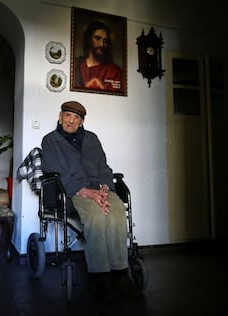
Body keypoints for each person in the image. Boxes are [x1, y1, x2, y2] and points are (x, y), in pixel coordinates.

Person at [41, 101, 140, 303]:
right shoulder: (50, 140)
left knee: (117, 210)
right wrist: (84, 191)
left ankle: (120, 272)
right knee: (96, 215)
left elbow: (103, 166)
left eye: (76, 118)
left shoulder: (92, 139)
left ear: (81, 121)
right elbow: (53, 170)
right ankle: (100, 277)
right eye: (68, 115)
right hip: (73, 191)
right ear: (60, 116)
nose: (71, 120)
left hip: (99, 188)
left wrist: (104, 188)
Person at [75, 20, 122, 91]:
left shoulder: (113, 71)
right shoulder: (76, 64)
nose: (102, 44)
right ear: (89, 40)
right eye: (97, 38)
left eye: (105, 41)